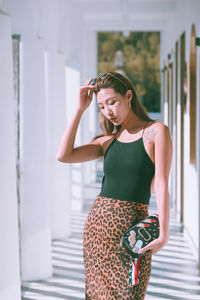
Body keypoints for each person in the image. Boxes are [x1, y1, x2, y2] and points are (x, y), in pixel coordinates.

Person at [56, 72, 173, 299]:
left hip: (131, 236)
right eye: (101, 106)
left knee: (131, 293)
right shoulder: (107, 141)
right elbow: (64, 155)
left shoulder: (155, 132)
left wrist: (164, 235)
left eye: (112, 102)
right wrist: (80, 109)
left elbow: (162, 182)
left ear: (128, 96)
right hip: (96, 233)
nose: (108, 111)